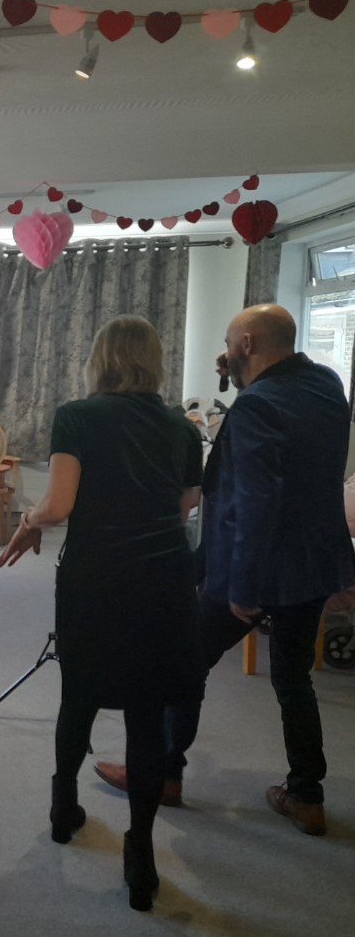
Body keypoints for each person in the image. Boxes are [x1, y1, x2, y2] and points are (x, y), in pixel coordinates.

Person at [93, 304, 355, 838]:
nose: (227, 352)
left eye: (232, 344)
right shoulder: (327, 384)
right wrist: (239, 376)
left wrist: (244, 586)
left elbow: (256, 498)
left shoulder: (257, 404)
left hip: (254, 567)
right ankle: (307, 795)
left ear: (249, 344)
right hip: (311, 566)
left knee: (183, 663)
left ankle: (162, 774)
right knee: (293, 678)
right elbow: (295, 451)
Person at [0, 315, 203, 912]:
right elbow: (184, 507)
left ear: (101, 360)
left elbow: (58, 505)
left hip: (97, 579)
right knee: (147, 713)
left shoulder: (78, 417)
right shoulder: (183, 428)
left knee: (80, 694)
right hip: (165, 580)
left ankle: (64, 810)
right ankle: (140, 856)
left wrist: (28, 521)